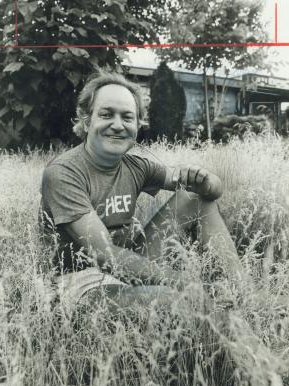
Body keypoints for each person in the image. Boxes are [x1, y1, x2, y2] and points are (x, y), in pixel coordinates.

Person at [39, 71, 245, 302]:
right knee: (171, 300)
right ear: (86, 121)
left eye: (127, 117)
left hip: (126, 265)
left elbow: (211, 192)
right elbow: (105, 256)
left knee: (194, 200)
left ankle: (245, 294)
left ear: (137, 125)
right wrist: (188, 283)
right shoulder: (64, 172)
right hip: (80, 280)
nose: (117, 125)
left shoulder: (136, 166)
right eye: (106, 114)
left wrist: (205, 180)